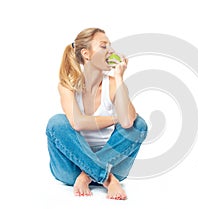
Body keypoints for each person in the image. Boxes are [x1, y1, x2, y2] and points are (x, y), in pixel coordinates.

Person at [45, 28, 148, 200]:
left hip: (114, 163)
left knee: (139, 124)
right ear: (86, 54)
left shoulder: (114, 83)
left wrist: (120, 77)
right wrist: (115, 119)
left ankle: (88, 176)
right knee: (56, 123)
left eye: (110, 46)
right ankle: (107, 179)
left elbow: (129, 122)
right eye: (103, 46)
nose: (111, 51)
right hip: (71, 169)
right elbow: (77, 123)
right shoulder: (67, 85)